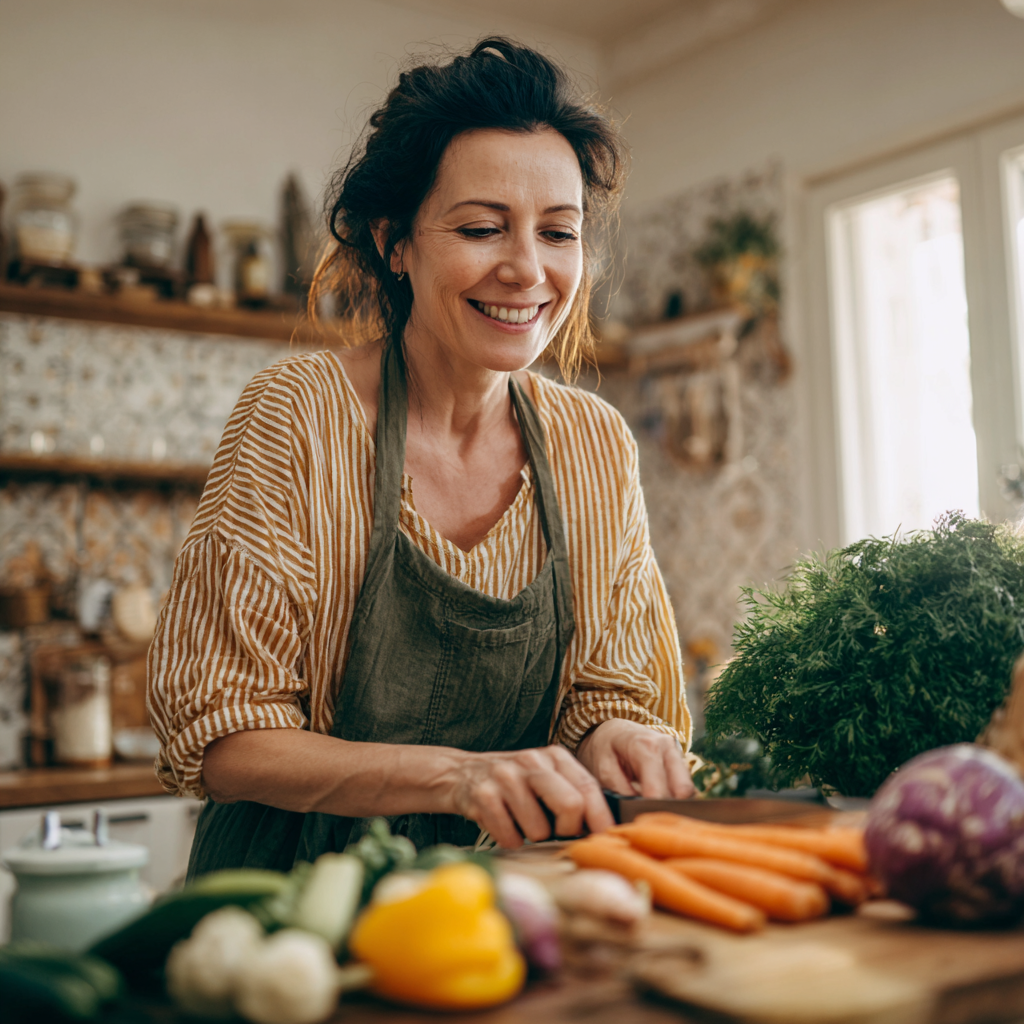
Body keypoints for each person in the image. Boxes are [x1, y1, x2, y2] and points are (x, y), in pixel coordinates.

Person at [148, 38, 694, 875]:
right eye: (481, 228)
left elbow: (605, 695)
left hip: (509, 897)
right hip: (292, 907)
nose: (526, 269)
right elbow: (225, 738)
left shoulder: (595, 444)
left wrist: (618, 734)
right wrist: (458, 777)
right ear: (395, 241)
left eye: (559, 232)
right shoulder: (298, 416)